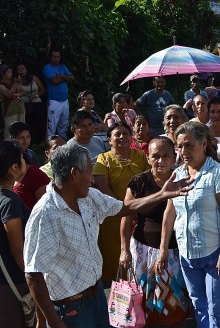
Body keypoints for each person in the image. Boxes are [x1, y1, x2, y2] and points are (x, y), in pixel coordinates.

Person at [23, 141, 192, 327]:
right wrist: (53, 320)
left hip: (97, 297)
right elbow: (34, 275)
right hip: (69, 310)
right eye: (89, 170)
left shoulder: (88, 198)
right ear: (74, 173)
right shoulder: (45, 214)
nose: (92, 178)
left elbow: (124, 208)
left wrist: (162, 194)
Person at [157, 122, 220, 328]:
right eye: (180, 146)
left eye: (189, 145)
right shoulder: (177, 175)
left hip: (216, 252)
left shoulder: (218, 173)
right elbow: (169, 213)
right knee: (199, 306)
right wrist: (163, 250)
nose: (183, 151)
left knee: (218, 310)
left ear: (203, 144)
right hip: (188, 255)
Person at [119, 137, 191, 325]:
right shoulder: (139, 182)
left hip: (175, 251)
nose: (161, 161)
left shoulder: (183, 178)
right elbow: (126, 217)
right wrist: (124, 250)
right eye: (155, 156)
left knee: (172, 301)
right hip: (143, 251)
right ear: (148, 158)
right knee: (141, 300)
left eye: (166, 155)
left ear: (174, 156)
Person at [93, 122, 150, 283]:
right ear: (109, 140)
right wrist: (123, 209)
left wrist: (138, 210)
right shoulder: (103, 159)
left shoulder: (140, 156)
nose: (122, 137)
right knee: (114, 259)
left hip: (140, 216)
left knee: (139, 258)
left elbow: (149, 181)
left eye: (125, 133)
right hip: (113, 218)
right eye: (117, 134)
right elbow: (102, 186)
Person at [0, 141, 32, 327]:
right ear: (14, 167)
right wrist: (32, 278)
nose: (25, 162)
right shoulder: (9, 201)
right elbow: (18, 249)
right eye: (22, 159)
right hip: (13, 281)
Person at [43, 49, 74, 139]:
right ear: (50, 57)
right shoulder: (47, 68)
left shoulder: (62, 66)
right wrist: (66, 77)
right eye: (54, 57)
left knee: (64, 125)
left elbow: (72, 78)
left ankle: (62, 145)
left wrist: (61, 76)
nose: (56, 59)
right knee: (51, 127)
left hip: (65, 100)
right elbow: (55, 81)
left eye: (58, 57)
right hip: (53, 101)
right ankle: (49, 147)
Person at [17, 63, 46, 144]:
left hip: (36, 103)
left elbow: (43, 90)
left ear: (26, 70)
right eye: (18, 70)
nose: (20, 71)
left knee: (39, 123)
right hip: (24, 105)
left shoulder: (33, 78)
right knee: (29, 124)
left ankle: (40, 142)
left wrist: (36, 95)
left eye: (22, 69)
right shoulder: (16, 80)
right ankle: (30, 143)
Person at [0, 64, 25, 139]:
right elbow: (9, 94)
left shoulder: (13, 82)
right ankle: (8, 149)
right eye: (8, 72)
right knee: (10, 132)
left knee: (22, 131)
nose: (11, 74)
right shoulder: (1, 85)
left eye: (11, 72)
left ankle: (21, 149)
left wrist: (17, 94)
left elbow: (23, 92)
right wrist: (15, 84)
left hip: (20, 109)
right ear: (2, 74)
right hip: (10, 111)